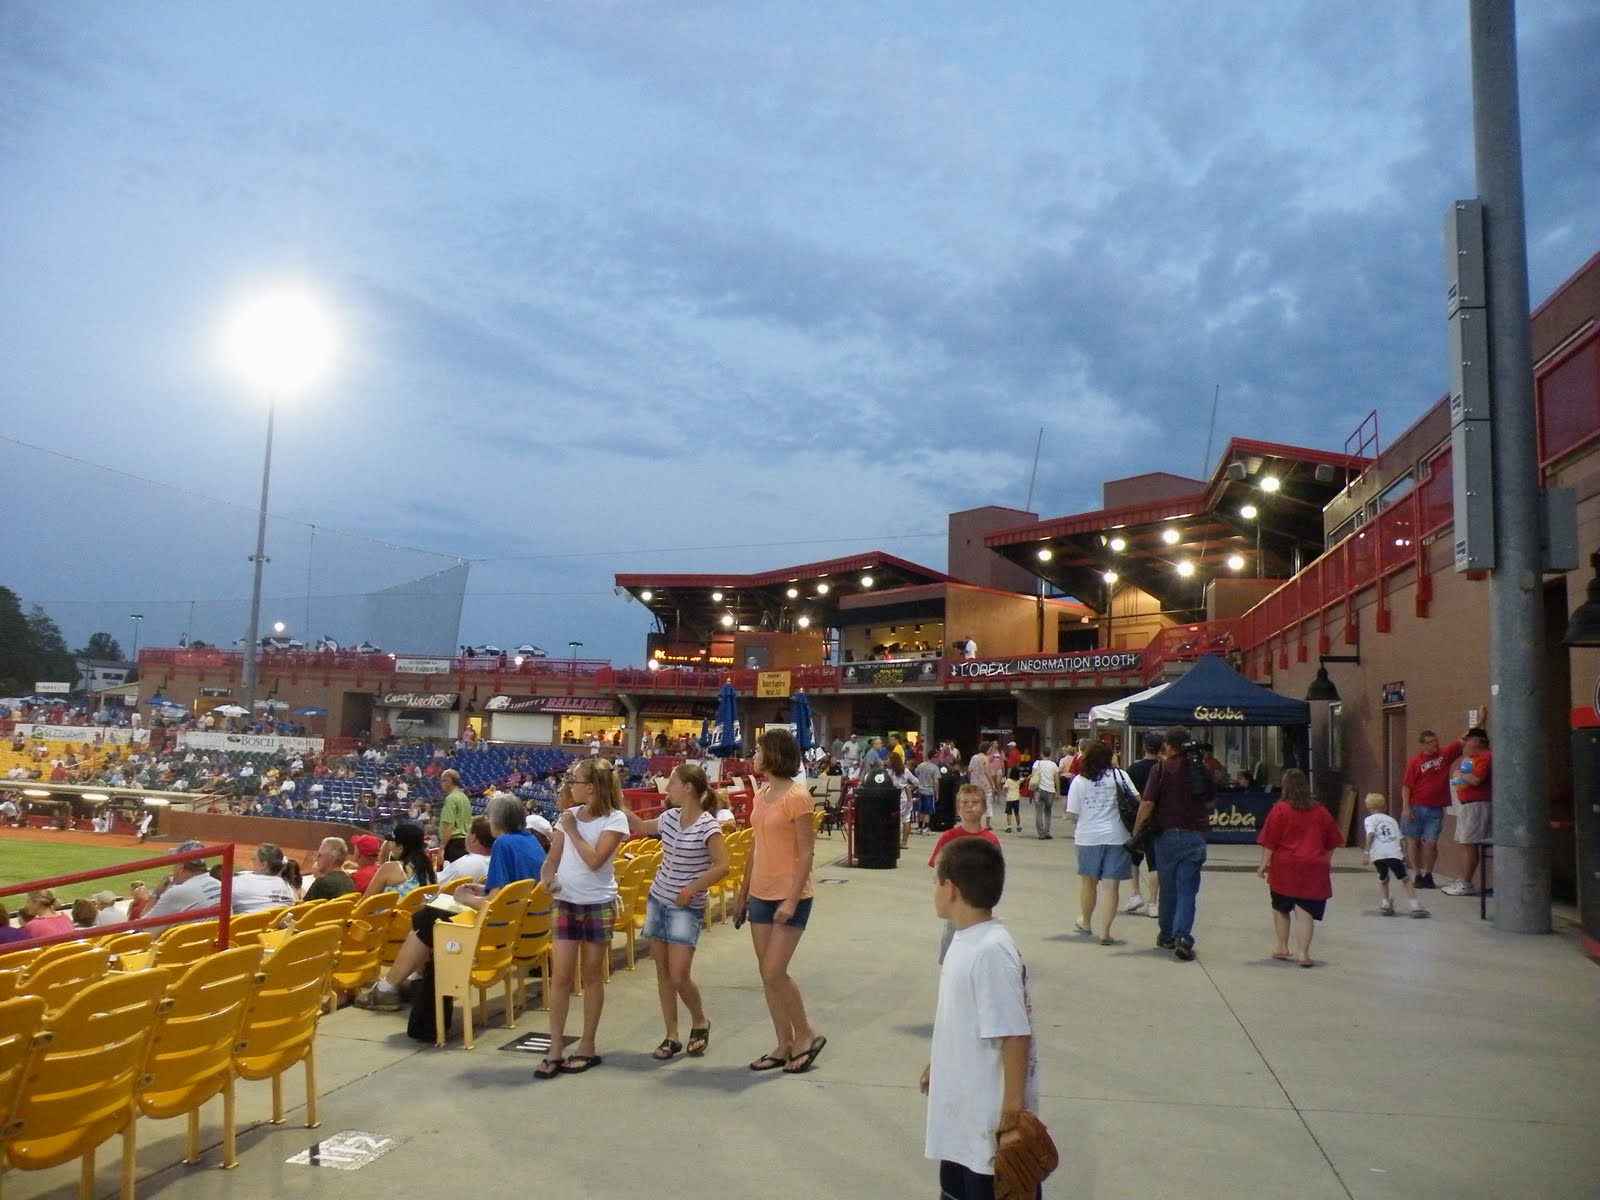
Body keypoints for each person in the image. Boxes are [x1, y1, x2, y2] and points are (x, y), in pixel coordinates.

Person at [356, 796, 544, 1027]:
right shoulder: (531, 841)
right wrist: (482, 890)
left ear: (497, 820)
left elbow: (494, 905)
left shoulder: (503, 844)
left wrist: (464, 897)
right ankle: (405, 981)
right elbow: (508, 892)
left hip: (499, 934)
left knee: (426, 918)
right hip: (522, 928)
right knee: (427, 918)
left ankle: (389, 987)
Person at [920, 837, 1038, 1200]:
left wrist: (1013, 1117)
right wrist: (938, 1061)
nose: (934, 890)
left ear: (951, 889)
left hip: (988, 1127)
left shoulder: (990, 951)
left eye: (936, 882)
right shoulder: (966, 938)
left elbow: (1015, 1035)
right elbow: (963, 1018)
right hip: (963, 1121)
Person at [622, 763, 730, 1061]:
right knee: (662, 972)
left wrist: (691, 889)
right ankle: (671, 1035)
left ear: (689, 788)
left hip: (685, 906)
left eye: (672, 783)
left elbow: (723, 865)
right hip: (659, 899)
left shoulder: (709, 826)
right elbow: (644, 828)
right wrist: (621, 807)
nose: (667, 789)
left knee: (679, 974)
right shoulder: (669, 818)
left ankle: (700, 1020)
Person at [735, 726, 826, 1075]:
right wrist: (742, 893)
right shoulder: (762, 794)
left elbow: (806, 854)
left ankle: (805, 1034)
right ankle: (783, 1041)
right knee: (766, 973)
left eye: (758, 751)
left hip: (791, 895)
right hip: (760, 892)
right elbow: (755, 845)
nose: (753, 757)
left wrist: (790, 900)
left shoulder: (797, 797)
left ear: (773, 754)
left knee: (775, 970)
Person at [535, 756, 630, 1079]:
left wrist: (573, 829)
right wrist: (547, 877)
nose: (569, 785)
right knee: (560, 975)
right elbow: (552, 859)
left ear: (590, 787)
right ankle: (556, 1047)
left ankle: (587, 1044)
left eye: (574, 780)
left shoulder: (614, 820)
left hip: (596, 903)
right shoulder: (568, 817)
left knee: (591, 976)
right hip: (565, 901)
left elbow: (595, 860)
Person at [1129, 727, 1216, 962]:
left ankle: (1166, 934)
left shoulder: (1161, 769)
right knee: (1188, 889)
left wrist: (1137, 832)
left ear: (1167, 746)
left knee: (1168, 889)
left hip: (1166, 836)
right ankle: (1183, 937)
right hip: (1194, 836)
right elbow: (1210, 801)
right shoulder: (1201, 769)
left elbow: (1147, 803)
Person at [1256, 769, 1344, 967]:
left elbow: (1270, 841)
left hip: (1285, 866)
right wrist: (1324, 860)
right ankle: (1303, 954)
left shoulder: (1280, 809)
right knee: (1305, 911)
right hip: (1314, 866)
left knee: (1280, 907)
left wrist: (1263, 865)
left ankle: (1282, 947)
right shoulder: (1321, 811)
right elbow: (1333, 841)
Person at [1064, 740, 1135, 944]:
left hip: (1088, 837)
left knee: (1089, 883)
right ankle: (1105, 932)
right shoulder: (1120, 776)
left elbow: (1072, 813)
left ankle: (1086, 922)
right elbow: (1137, 798)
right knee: (1111, 887)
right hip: (1117, 836)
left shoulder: (1079, 781)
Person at [929, 784, 1003, 962]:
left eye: (975, 802)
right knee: (952, 956)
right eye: (965, 802)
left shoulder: (991, 840)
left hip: (980, 907)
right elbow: (938, 870)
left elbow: (996, 874)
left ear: (984, 807)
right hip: (955, 908)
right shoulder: (948, 837)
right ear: (958, 808)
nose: (970, 806)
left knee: (979, 956)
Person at [1442, 727, 1493, 897]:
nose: (1466, 743)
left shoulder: (1485, 757)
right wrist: (1460, 776)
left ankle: (1466, 882)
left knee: (1470, 844)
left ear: (1478, 741)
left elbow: (1475, 779)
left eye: (1469, 740)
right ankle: (1463, 879)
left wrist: (1461, 775)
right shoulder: (1471, 758)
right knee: (1465, 844)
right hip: (1465, 804)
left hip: (1476, 805)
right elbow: (1460, 777)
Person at [1362, 793, 1429, 918]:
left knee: (1383, 879)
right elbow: (1401, 839)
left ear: (1369, 808)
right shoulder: (1391, 820)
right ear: (1385, 806)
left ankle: (1385, 903)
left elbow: (1370, 834)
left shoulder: (1369, 820)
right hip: (1394, 853)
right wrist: (1404, 854)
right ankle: (1415, 905)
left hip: (1378, 854)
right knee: (1405, 879)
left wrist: (1367, 852)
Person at [1122, 732, 1165, 918]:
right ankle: (1153, 903)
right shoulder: (1163, 768)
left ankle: (1135, 893)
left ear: (1144, 747)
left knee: (1134, 858)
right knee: (1154, 863)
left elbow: (1127, 795)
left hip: (1137, 819)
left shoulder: (1133, 769)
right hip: (1158, 820)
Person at [145, 841, 223, 921]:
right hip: (216, 933)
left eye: (174, 863)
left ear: (181, 867)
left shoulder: (177, 892)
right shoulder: (220, 885)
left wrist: (156, 894)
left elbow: (141, 928)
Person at [361, 823, 437, 899]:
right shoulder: (429, 870)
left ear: (400, 848)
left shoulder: (389, 868)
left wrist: (382, 854)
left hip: (393, 911)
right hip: (416, 910)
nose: (389, 845)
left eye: (391, 841)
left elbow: (365, 902)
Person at [230, 843, 298, 914]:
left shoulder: (240, 881)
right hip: (279, 924)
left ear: (264, 865)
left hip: (250, 924)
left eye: (254, 859)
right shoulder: (287, 887)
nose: (252, 861)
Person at [436, 817, 494, 885]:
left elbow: (434, 885)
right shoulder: (496, 861)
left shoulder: (464, 865)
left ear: (473, 838)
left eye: (467, 833)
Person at [303, 837, 356, 901]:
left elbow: (301, 909)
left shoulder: (322, 883)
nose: (317, 858)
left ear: (332, 859)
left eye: (320, 855)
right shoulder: (349, 881)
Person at [437, 768, 473, 863]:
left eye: (442, 781)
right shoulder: (464, 798)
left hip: (453, 844)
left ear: (449, 781)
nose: (441, 784)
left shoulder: (451, 798)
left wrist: (442, 847)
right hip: (465, 842)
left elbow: (449, 825)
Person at [1028, 747, 1059, 840]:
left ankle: (1041, 833)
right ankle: (1047, 831)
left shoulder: (1037, 763)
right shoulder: (1054, 765)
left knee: (1039, 812)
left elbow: (1033, 776)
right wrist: (1058, 792)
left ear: (1042, 754)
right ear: (1049, 754)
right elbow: (1057, 779)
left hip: (1039, 790)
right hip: (1050, 790)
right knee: (1048, 812)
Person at [966, 742, 996, 831]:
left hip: (974, 784)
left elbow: (969, 769)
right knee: (988, 803)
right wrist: (992, 783)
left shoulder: (974, 757)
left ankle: (974, 821)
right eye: (990, 749)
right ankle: (987, 824)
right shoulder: (985, 758)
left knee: (974, 802)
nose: (991, 751)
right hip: (985, 784)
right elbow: (987, 772)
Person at [913, 752, 940, 835]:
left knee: (921, 809)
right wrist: (937, 793)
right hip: (929, 791)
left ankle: (920, 827)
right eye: (936, 757)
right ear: (932, 757)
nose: (937, 759)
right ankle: (926, 828)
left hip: (920, 791)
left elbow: (916, 774)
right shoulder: (935, 768)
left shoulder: (921, 765)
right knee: (928, 811)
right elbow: (936, 781)